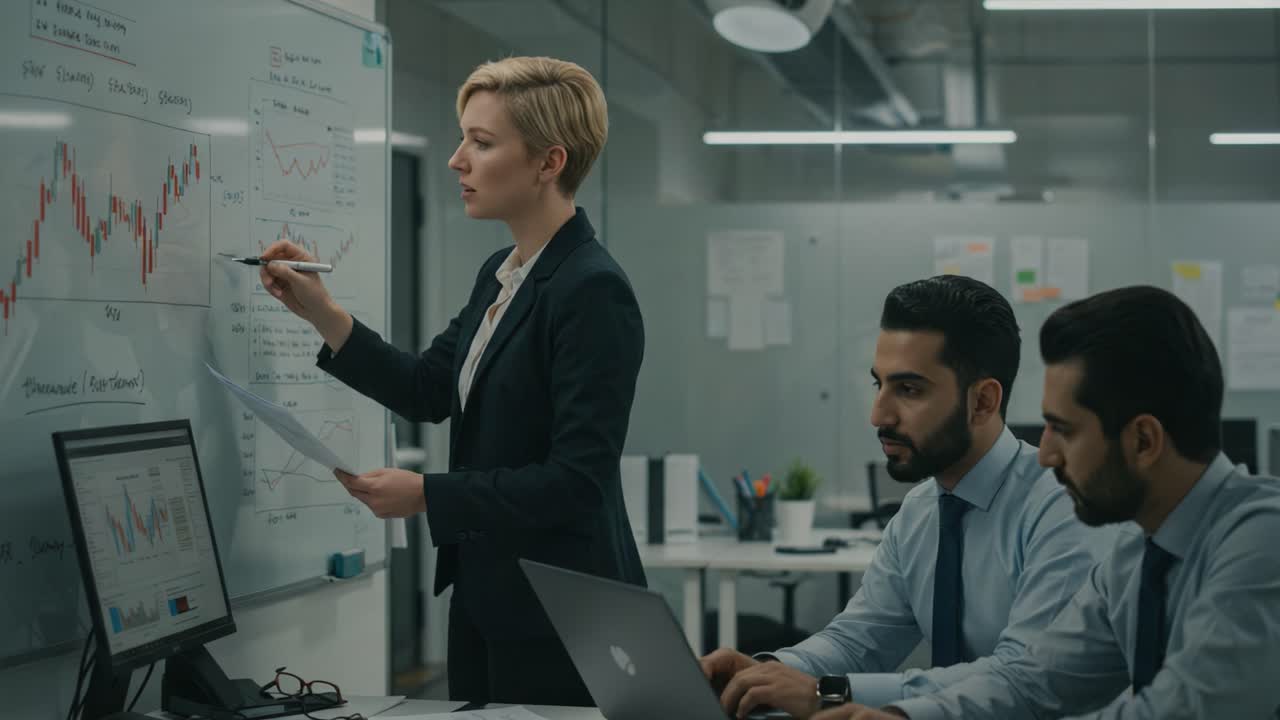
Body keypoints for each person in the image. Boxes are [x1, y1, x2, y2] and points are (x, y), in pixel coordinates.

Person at [258, 56, 646, 707]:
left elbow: (578, 481)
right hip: (489, 598)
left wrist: (428, 496)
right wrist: (321, 311)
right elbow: (427, 388)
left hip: (562, 616)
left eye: (482, 142)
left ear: (549, 163)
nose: (456, 159)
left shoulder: (591, 289)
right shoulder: (505, 272)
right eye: (463, 137)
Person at [821, 286, 1280, 720]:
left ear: (1143, 440)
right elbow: (1032, 679)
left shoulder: (1263, 541)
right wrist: (905, 716)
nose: (1045, 453)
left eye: (1065, 429)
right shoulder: (1137, 556)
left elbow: (1176, 712)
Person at [701, 275, 1106, 719]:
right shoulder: (920, 511)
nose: (879, 415)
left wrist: (828, 693)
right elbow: (859, 639)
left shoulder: (1063, 506)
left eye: (909, 390)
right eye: (880, 385)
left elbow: (1021, 674)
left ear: (983, 402)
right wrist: (768, 673)